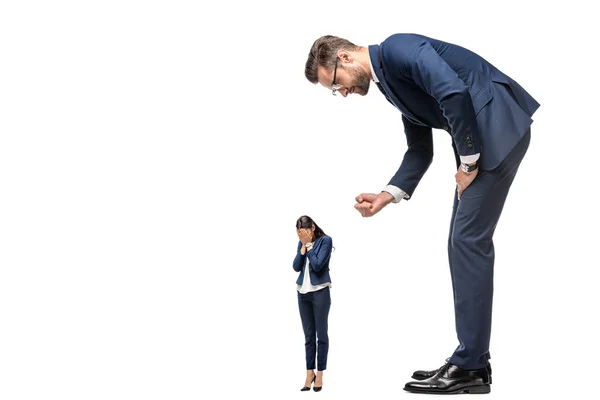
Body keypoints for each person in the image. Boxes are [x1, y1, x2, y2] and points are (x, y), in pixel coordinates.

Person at [304, 33, 539, 395]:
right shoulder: (389, 82)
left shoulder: (398, 49)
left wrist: (469, 160)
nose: (343, 94)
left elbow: (454, 93)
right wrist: (388, 195)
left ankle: (471, 365)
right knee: (460, 242)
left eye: (335, 84)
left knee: (467, 241)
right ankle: (471, 360)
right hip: (489, 130)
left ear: (346, 57)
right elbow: (419, 150)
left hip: (496, 124)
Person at [293, 215, 333, 392]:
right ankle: (309, 373)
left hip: (320, 293)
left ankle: (320, 373)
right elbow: (295, 267)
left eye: (307, 231)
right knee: (308, 337)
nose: (304, 235)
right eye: (301, 232)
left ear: (313, 228)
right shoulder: (301, 243)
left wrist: (308, 245)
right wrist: (302, 247)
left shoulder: (326, 241)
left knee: (321, 335)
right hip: (303, 293)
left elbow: (317, 265)